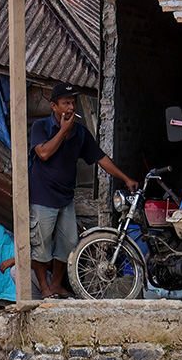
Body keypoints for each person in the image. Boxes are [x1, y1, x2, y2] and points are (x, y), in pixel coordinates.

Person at [30, 82, 139, 298]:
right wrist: (63, 131)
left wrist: (125, 178)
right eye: (66, 103)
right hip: (42, 197)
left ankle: (55, 285)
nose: (71, 107)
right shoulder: (41, 126)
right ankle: (43, 288)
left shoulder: (80, 132)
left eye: (73, 103)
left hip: (65, 198)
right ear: (54, 106)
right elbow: (43, 154)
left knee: (69, 244)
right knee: (40, 246)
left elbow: (100, 158)